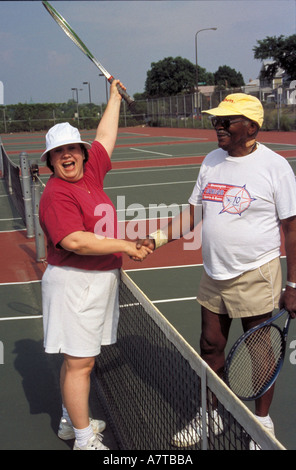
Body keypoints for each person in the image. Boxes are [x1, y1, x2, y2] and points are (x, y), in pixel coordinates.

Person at [136, 93, 296, 446]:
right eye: (216, 121)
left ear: (251, 127)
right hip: (214, 272)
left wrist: (294, 284)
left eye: (226, 121)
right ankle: (209, 415)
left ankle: (262, 424)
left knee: (258, 350)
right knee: (209, 344)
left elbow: (292, 228)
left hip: (257, 272)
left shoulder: (275, 167)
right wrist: (155, 239)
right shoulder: (211, 161)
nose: (217, 126)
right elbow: (194, 213)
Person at [39, 80, 152, 450]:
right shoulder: (57, 194)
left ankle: (70, 421)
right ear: (50, 161)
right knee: (80, 365)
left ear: (82, 154)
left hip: (97, 281)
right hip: (75, 283)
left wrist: (114, 97)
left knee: (78, 360)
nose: (68, 156)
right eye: (60, 153)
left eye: (73, 148)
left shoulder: (89, 173)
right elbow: (74, 240)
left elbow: (105, 135)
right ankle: (85, 439)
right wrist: (125, 245)